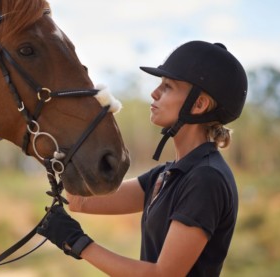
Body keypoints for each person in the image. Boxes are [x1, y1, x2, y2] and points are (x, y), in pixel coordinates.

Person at [37, 40, 248, 276]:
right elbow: (80, 202)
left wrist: (79, 244)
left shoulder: (206, 179)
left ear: (199, 104)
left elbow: (163, 274)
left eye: (168, 87)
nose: (154, 93)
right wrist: (73, 128)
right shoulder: (167, 175)